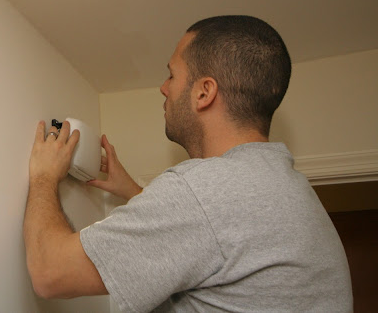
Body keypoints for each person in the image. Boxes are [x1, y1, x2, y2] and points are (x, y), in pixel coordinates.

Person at [24, 16, 352, 312]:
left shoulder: (204, 191)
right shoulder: (287, 189)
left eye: (172, 75)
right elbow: (213, 235)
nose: (164, 88)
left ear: (204, 92)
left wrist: (43, 177)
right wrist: (132, 191)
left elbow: (50, 273)